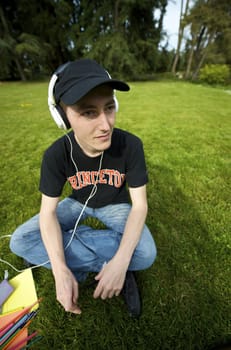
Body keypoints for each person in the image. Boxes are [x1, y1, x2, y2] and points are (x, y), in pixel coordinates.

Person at [10, 59, 157, 317]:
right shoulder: (56, 155)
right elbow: (48, 213)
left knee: (145, 254)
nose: (105, 124)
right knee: (20, 241)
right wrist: (60, 271)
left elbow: (140, 206)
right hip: (77, 202)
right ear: (62, 116)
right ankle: (106, 263)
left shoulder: (130, 145)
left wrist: (121, 262)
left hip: (117, 206)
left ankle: (113, 265)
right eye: (89, 112)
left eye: (109, 107)